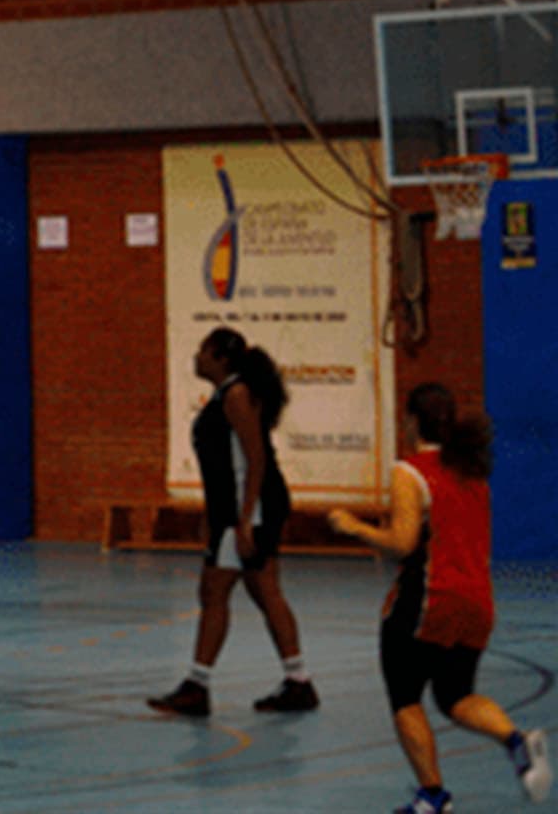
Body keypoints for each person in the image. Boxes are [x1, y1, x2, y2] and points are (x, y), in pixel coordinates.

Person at [328, 384, 550, 813]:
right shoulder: (472, 471)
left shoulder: (410, 472)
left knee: (405, 698)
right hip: (477, 602)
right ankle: (515, 740)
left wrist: (353, 527)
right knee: (455, 696)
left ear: (411, 420)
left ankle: (433, 796)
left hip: (429, 602)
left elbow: (403, 542)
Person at [149, 328, 317, 717]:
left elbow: (255, 460)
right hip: (237, 509)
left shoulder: (239, 395)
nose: (196, 358)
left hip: (251, 509)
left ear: (221, 357)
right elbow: (224, 466)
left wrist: (245, 522)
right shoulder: (227, 394)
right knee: (263, 590)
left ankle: (197, 686)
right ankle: (298, 681)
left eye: (202, 351)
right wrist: (213, 514)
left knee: (215, 591)